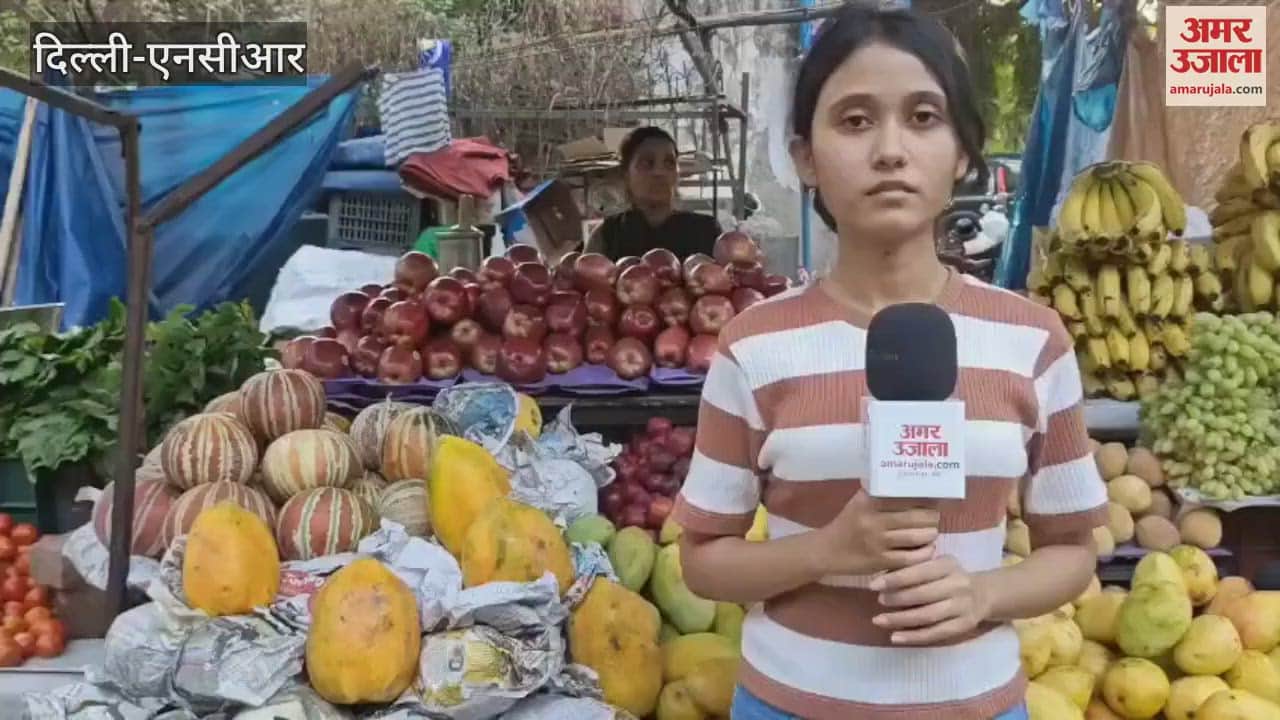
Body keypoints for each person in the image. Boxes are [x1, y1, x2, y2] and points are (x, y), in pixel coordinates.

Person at [670, 6, 1108, 720]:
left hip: (977, 705)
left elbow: (1071, 550)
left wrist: (985, 592)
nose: (890, 151)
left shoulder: (1034, 340)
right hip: (788, 705)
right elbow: (702, 559)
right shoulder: (753, 345)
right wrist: (826, 551)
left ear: (964, 150)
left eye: (924, 117)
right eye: (854, 121)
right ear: (806, 156)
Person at [585, 126, 722, 260]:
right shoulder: (607, 236)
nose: (659, 172)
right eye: (646, 163)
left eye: (669, 163)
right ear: (626, 174)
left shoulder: (705, 231)